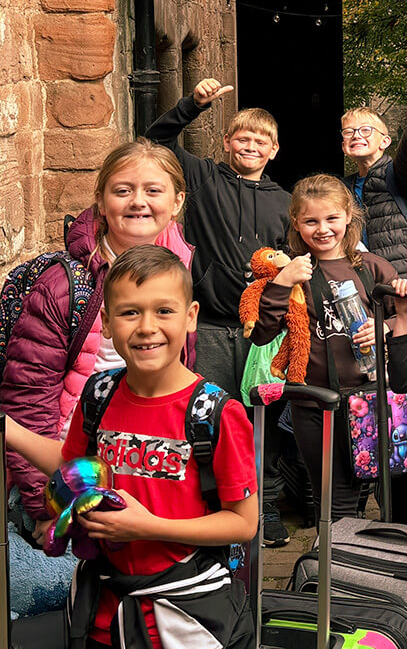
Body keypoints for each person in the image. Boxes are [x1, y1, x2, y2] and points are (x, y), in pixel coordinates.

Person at [4, 245, 258, 649]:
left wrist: (147, 527)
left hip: (185, 617)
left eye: (164, 310)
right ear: (106, 322)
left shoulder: (215, 413)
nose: (146, 327)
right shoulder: (99, 395)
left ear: (191, 316)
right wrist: (10, 430)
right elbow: (71, 463)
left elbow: (243, 523)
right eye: (129, 312)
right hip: (100, 611)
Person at [1, 139, 193, 553]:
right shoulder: (64, 286)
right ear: (102, 203)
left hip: (144, 473)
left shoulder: (180, 270)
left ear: (177, 202)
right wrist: (46, 506)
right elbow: (26, 403)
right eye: (123, 190)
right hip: (67, 479)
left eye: (153, 190)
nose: (138, 201)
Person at [144, 78, 293, 547]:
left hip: (262, 334)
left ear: (274, 150)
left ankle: (264, 505)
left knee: (261, 417)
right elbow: (155, 140)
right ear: (226, 141)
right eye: (243, 138)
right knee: (207, 416)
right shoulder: (204, 178)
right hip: (209, 325)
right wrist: (193, 104)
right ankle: (210, 504)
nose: (251, 146)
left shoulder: (284, 201)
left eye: (261, 141)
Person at [249, 174, 407, 520]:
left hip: (368, 398)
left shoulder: (372, 268)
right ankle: (335, 552)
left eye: (331, 219)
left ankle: (344, 551)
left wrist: (384, 327)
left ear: (348, 216)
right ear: (296, 222)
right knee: (331, 496)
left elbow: (406, 323)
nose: (323, 229)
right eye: (311, 221)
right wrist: (282, 282)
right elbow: (262, 333)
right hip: (313, 403)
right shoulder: (293, 271)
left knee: (359, 491)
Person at [341, 96, 407, 297]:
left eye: (365, 130)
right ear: (343, 145)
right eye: (349, 131)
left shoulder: (396, 174)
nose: (356, 135)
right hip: (365, 283)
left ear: (385, 141)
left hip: (406, 280)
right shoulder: (343, 188)